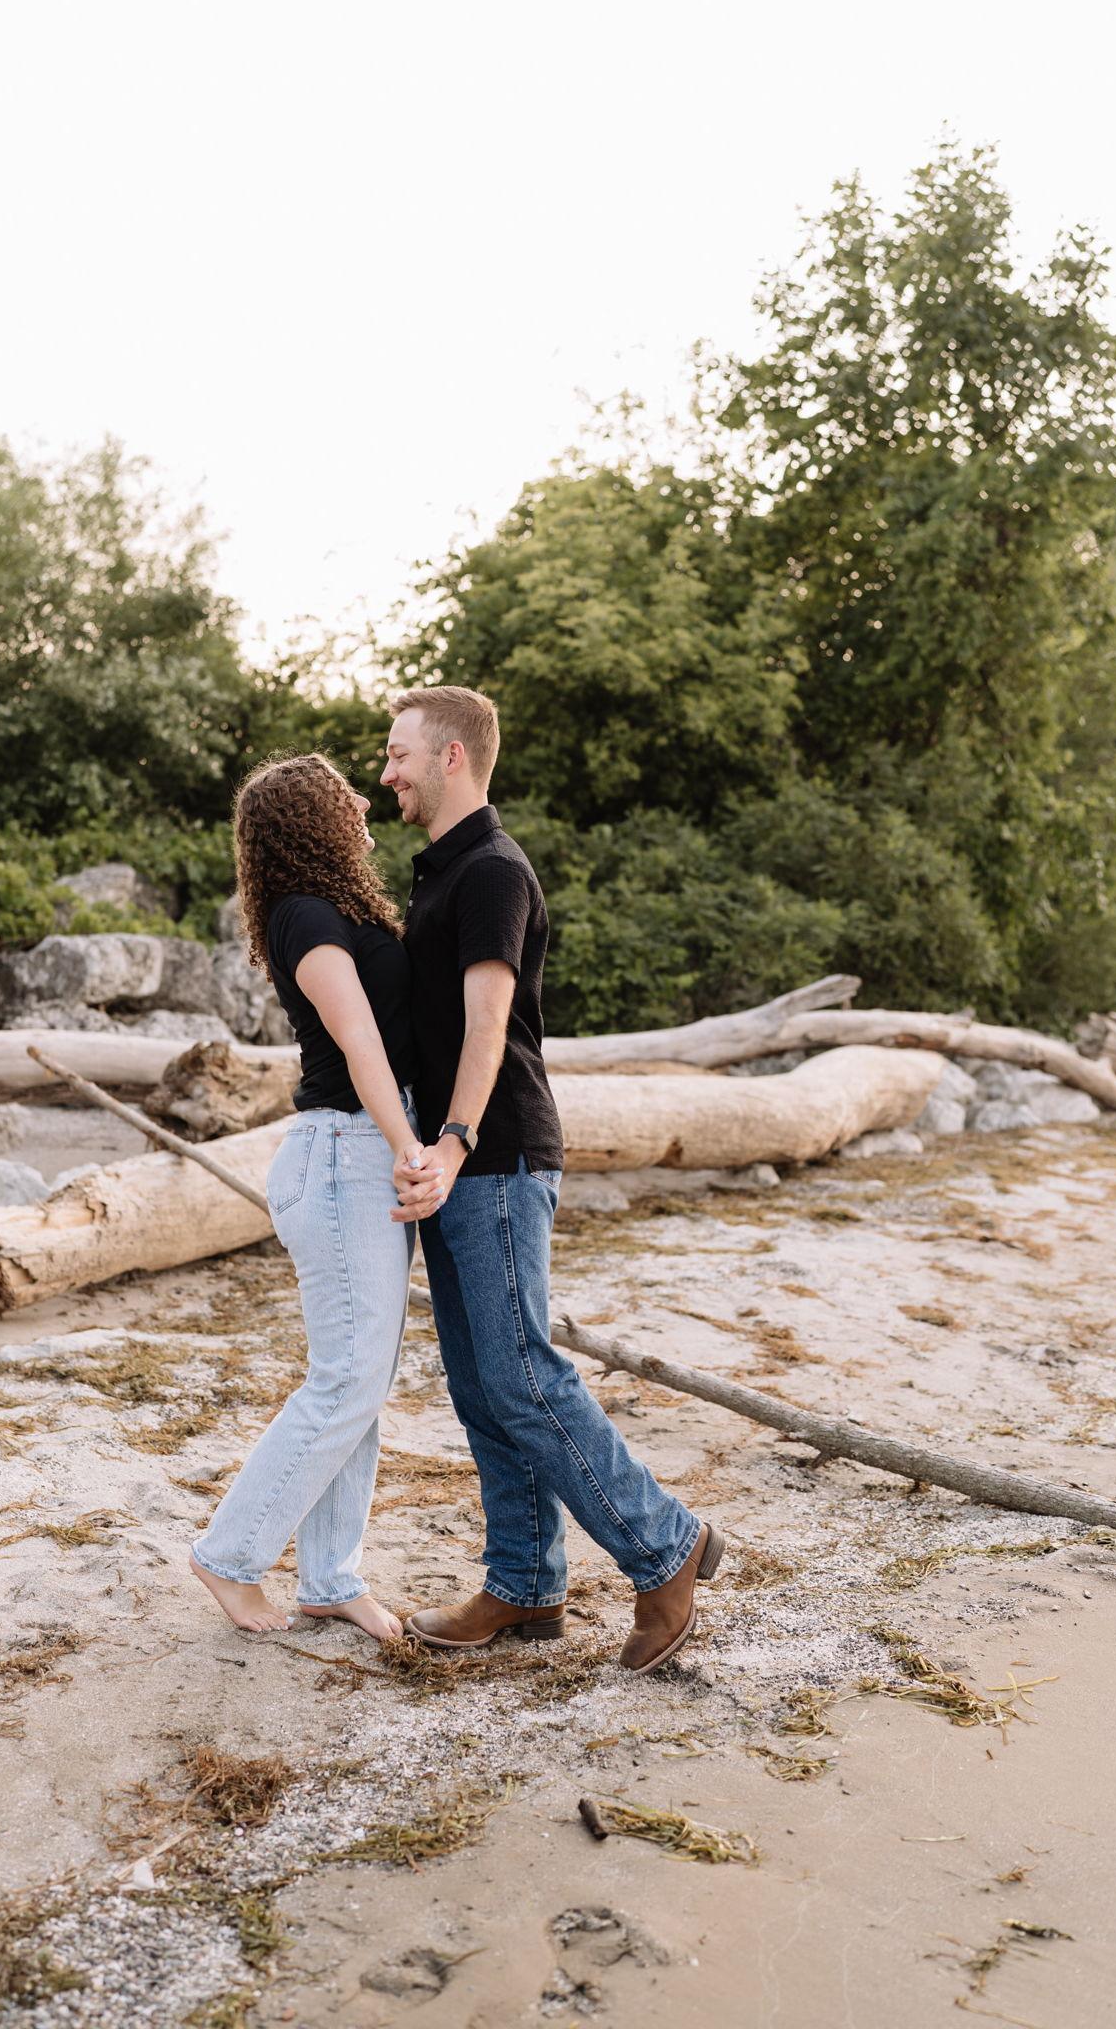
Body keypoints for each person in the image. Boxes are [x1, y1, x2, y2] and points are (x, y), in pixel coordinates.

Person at [380, 686, 722, 1673]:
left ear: (451, 757)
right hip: (457, 1163)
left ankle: (666, 1547)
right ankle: (525, 1581)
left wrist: (451, 1140)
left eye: (399, 753)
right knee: (482, 1386)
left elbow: (487, 1025)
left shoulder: (492, 870)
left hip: (493, 1155)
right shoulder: (442, 872)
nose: (386, 771)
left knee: (523, 1376)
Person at [187, 753, 437, 1644]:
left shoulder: (333, 909)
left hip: (359, 1151)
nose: (364, 798)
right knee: (346, 1379)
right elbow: (360, 1043)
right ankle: (230, 1556)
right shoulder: (306, 916)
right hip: (344, 1156)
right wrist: (409, 1147)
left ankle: (330, 1578)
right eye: (343, 793)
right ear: (312, 821)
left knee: (359, 1382)